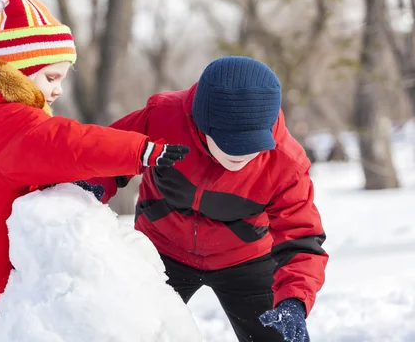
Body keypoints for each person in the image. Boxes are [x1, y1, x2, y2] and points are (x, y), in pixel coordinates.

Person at [0, 0, 190, 342]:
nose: (58, 90)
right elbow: (70, 143)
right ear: (17, 73)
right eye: (51, 77)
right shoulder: (5, 122)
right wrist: (141, 151)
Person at [87, 56, 328, 342]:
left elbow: (301, 238)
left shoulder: (285, 162)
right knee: (130, 333)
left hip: (246, 259)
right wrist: (84, 191)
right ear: (200, 121)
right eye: (230, 143)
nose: (240, 155)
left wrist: (294, 301)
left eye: (252, 146)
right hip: (161, 251)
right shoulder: (163, 118)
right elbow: (105, 155)